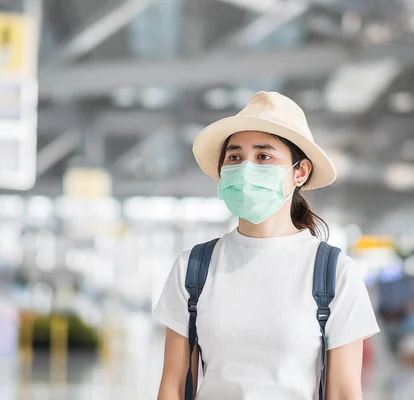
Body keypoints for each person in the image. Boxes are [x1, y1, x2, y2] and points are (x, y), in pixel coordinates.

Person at [153, 91, 380, 399]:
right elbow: (173, 386)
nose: (246, 169)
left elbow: (343, 393)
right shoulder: (193, 268)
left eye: (263, 156)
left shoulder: (334, 273)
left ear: (299, 172)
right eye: (235, 157)